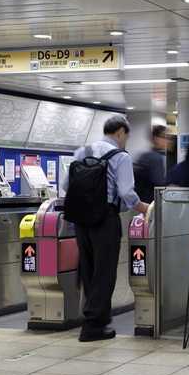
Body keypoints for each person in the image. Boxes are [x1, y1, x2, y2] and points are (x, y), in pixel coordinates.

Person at [62, 116, 148, 341]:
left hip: (80, 219)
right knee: (104, 270)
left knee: (89, 268)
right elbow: (126, 192)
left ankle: (91, 319)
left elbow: (65, 185)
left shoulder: (83, 151)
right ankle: (94, 325)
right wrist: (143, 208)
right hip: (105, 218)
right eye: (126, 137)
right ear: (120, 132)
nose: (125, 142)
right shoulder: (120, 156)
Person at [133, 125, 167, 203]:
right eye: (164, 137)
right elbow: (158, 182)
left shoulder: (143, 155)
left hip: (140, 199)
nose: (166, 141)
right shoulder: (157, 158)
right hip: (152, 201)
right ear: (155, 138)